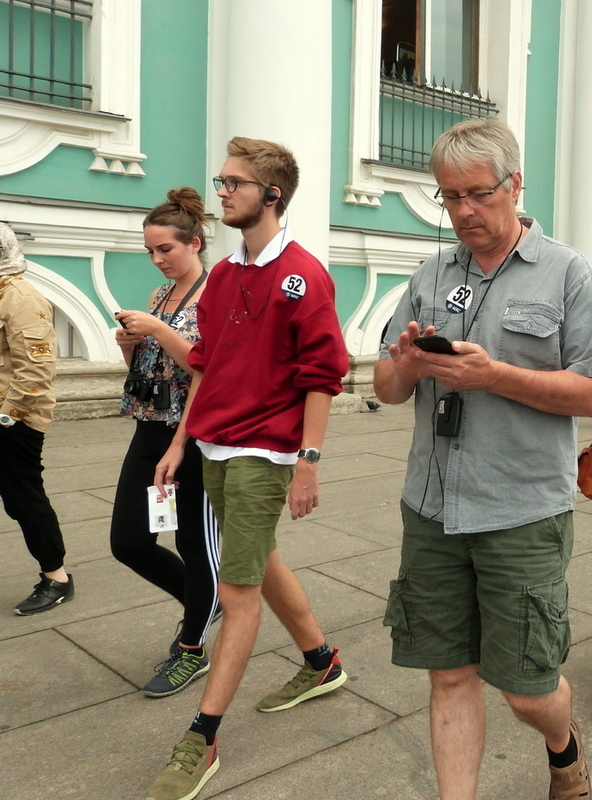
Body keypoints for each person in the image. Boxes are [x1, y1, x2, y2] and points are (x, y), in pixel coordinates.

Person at [373, 119, 592, 800]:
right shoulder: (432, 272)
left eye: (476, 195)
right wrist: (406, 365)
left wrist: (494, 377)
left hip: (521, 511)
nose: (462, 213)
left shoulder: (567, 273)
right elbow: (387, 391)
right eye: (448, 197)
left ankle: (562, 743)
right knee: (449, 674)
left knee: (524, 688)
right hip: (431, 506)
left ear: (515, 185)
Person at [144, 137, 351, 800]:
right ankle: (321, 662)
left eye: (235, 182)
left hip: (265, 451)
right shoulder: (225, 276)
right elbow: (208, 364)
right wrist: (180, 442)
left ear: (272, 194)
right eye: (222, 179)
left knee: (236, 596)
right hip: (214, 446)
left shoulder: (305, 274)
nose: (222, 191)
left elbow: (325, 374)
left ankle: (201, 738)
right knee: (257, 560)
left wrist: (308, 461)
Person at [111, 188, 219, 697]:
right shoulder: (161, 296)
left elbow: (206, 368)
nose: (157, 261)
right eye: (150, 252)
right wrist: (132, 347)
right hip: (148, 429)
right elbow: (149, 372)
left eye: (166, 250)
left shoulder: (215, 293)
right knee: (129, 541)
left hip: (192, 437)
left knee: (194, 546)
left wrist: (157, 329)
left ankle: (192, 646)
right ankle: (205, 601)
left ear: (194, 243)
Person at [0, 223, 74, 616]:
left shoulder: (20, 297)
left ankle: (57, 578)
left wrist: (6, 418)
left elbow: (35, 370)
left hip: (14, 420)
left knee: (24, 498)